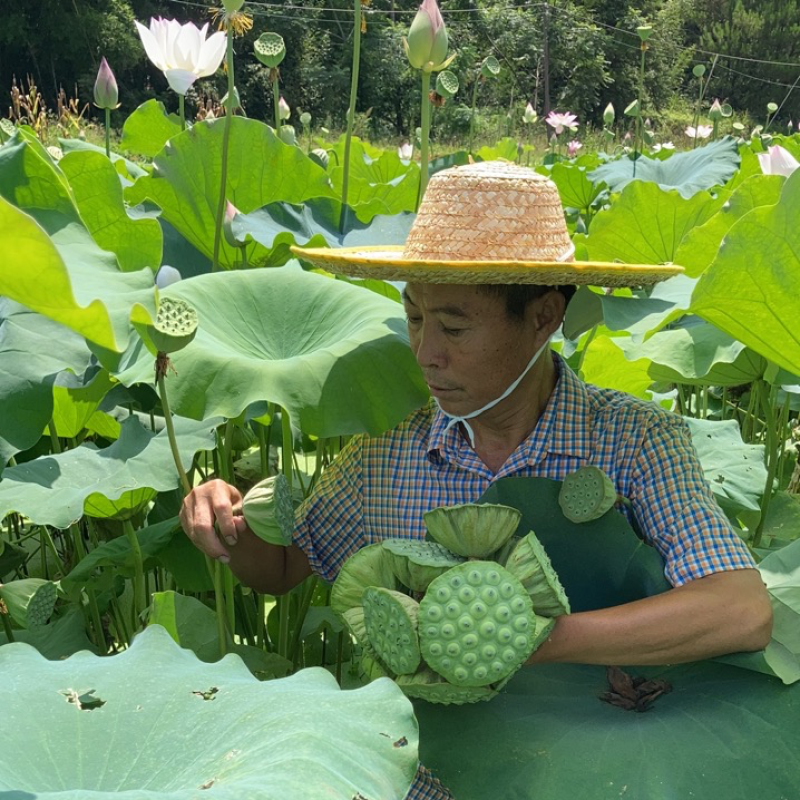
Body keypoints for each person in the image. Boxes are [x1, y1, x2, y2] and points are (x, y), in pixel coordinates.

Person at [180, 161, 772, 799]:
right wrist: (229, 522)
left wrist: (525, 637)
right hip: (429, 778)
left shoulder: (632, 442)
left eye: (454, 327)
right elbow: (285, 568)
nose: (425, 351)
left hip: (599, 773)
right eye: (414, 318)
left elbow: (739, 610)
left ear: (543, 317)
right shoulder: (386, 452)